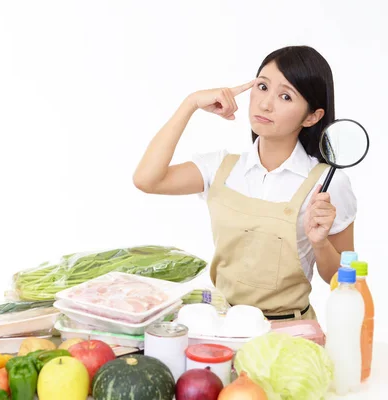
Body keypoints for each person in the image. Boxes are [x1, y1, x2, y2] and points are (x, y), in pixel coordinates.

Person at [133, 45, 356, 321]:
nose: (265, 103)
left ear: (312, 116)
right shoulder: (221, 167)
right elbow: (146, 180)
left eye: (285, 96)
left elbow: (344, 280)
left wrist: (320, 243)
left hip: (287, 335)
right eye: (262, 87)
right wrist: (190, 103)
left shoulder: (327, 183)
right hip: (220, 327)